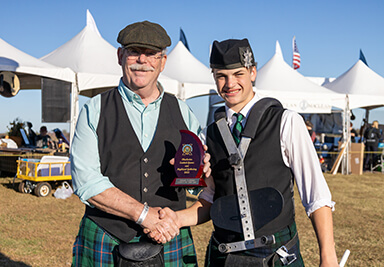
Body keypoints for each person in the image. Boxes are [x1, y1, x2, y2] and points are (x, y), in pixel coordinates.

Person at [149, 39, 338, 266]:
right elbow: (209, 200)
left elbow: (316, 196)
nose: (230, 83)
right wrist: (176, 219)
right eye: (221, 76)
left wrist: (328, 257)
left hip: (276, 253)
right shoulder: (209, 135)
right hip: (224, 255)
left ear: (253, 72)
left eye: (238, 74)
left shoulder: (286, 122)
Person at [70, 21, 210, 266]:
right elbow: (86, 180)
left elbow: (202, 184)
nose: (142, 60)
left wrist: (202, 170)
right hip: (106, 235)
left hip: (169, 237)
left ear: (163, 61)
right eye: (134, 51)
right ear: (120, 56)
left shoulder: (184, 113)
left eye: (152, 54)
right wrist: (144, 215)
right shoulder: (95, 109)